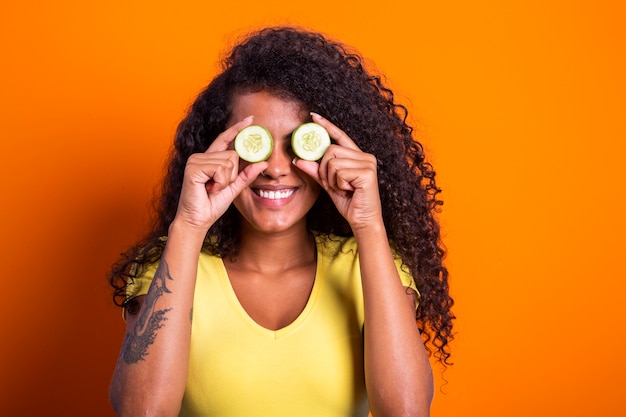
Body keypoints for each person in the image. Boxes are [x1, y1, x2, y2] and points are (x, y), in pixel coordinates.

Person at [108, 26, 454, 417]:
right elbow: (141, 413)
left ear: (333, 153)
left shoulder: (368, 265)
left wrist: (370, 224)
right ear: (217, 149)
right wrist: (187, 228)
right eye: (255, 144)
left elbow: (406, 412)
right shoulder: (167, 263)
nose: (275, 169)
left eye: (297, 144)